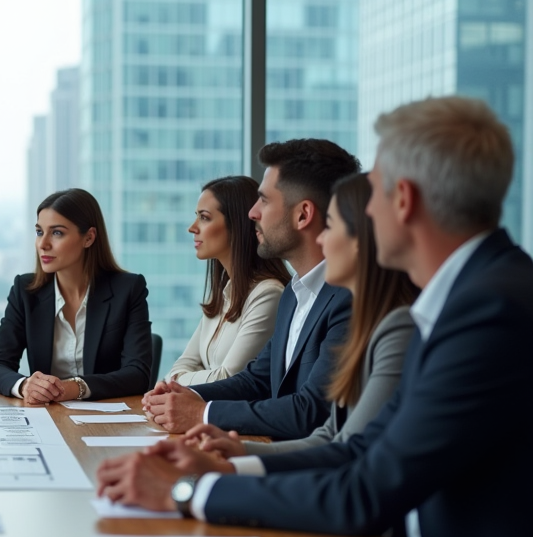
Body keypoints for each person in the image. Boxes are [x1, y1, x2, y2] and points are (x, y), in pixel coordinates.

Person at [97, 97, 533, 537]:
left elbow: (367, 488)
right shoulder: (467, 298)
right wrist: (223, 469)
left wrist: (187, 493)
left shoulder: (487, 312)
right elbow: (360, 449)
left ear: (403, 201)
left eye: (373, 189)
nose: (353, 209)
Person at [142, 139, 360, 440]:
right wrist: (184, 394)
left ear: (303, 215)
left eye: (265, 201)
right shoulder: (293, 296)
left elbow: (311, 412)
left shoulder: (348, 299)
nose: (252, 213)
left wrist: (200, 413)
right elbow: (255, 380)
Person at [193, 172, 417, 457]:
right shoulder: (295, 295)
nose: (321, 239)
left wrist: (210, 425)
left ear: (363, 239)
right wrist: (237, 454)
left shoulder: (394, 326)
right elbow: (330, 435)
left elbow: (346, 452)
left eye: (331, 226)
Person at [0, 188, 153, 403]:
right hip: (47, 417)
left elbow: (138, 374)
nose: (43, 244)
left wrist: (74, 387)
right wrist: (26, 385)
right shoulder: (25, 291)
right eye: (39, 232)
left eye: (57, 233)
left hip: (109, 421)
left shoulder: (128, 289)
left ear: (89, 237)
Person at [166, 176, 291, 385]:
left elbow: (228, 379)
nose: (192, 228)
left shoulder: (268, 294)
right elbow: (179, 367)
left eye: (204, 218)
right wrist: (178, 378)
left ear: (238, 224)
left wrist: (177, 380)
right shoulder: (225, 293)